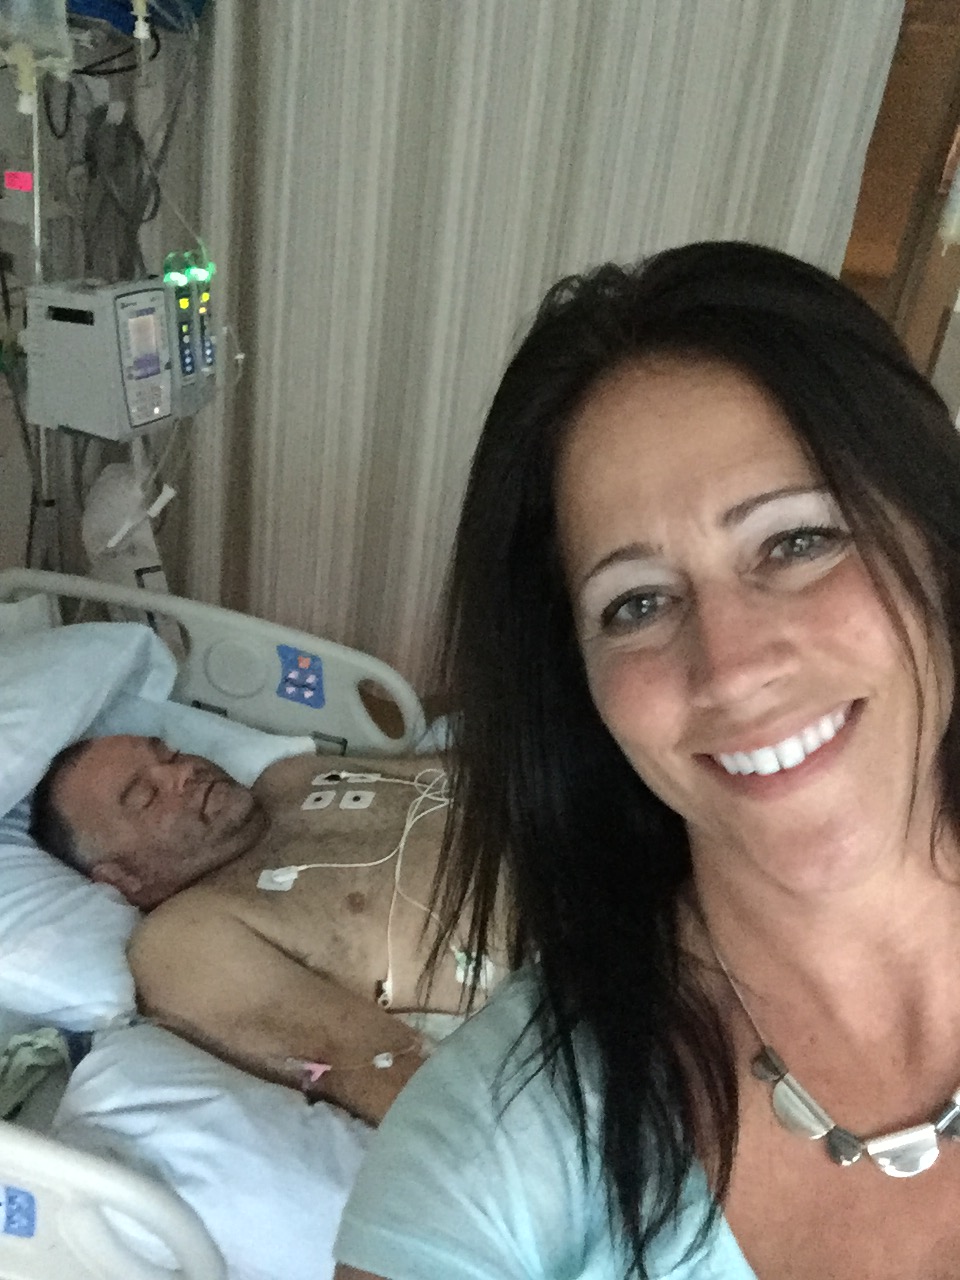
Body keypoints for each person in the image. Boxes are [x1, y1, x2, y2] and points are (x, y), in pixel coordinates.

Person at [332, 240, 960, 1280]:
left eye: (796, 542)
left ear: (935, 542)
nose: (732, 668)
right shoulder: (496, 1149)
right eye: (636, 604)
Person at [31, 735, 503, 1124]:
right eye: (145, 796)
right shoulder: (186, 939)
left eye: (170, 755)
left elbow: (478, 769)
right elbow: (367, 1067)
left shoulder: (293, 776)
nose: (184, 771)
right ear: (123, 877)